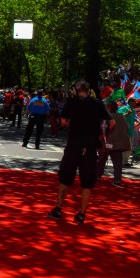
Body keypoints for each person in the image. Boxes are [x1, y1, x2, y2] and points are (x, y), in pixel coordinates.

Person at [48, 80, 113, 224]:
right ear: (88, 90)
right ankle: (82, 213)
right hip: (90, 147)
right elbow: (111, 122)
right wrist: (102, 136)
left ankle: (58, 208)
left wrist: (73, 123)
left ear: (76, 90)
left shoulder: (72, 102)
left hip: (74, 144)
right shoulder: (97, 103)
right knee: (87, 182)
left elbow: (63, 121)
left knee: (65, 178)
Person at [96, 100, 130, 187]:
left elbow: (103, 130)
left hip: (107, 141)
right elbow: (127, 127)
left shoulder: (106, 117)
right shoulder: (122, 117)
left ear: (109, 108)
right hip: (118, 142)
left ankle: (97, 175)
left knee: (101, 160)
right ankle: (117, 179)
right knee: (117, 162)